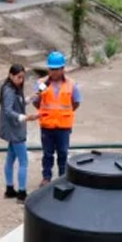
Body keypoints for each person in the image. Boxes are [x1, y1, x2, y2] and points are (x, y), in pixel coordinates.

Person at [33, 51, 82, 186]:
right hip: (47, 126)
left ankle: (63, 176)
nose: (53, 72)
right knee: (47, 154)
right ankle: (46, 177)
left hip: (63, 126)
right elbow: (36, 100)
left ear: (62, 69)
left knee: (62, 153)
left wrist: (64, 113)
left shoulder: (71, 84)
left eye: (56, 69)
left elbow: (76, 102)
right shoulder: (42, 84)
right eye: (51, 69)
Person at [0, 64, 38, 202]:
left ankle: (9, 190)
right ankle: (22, 193)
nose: (21, 80)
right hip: (15, 130)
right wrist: (26, 117)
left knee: (10, 159)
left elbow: (18, 103)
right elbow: (8, 111)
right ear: (10, 76)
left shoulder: (13, 89)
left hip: (13, 129)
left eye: (22, 77)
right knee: (24, 162)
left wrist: (30, 98)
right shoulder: (9, 90)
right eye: (18, 77)